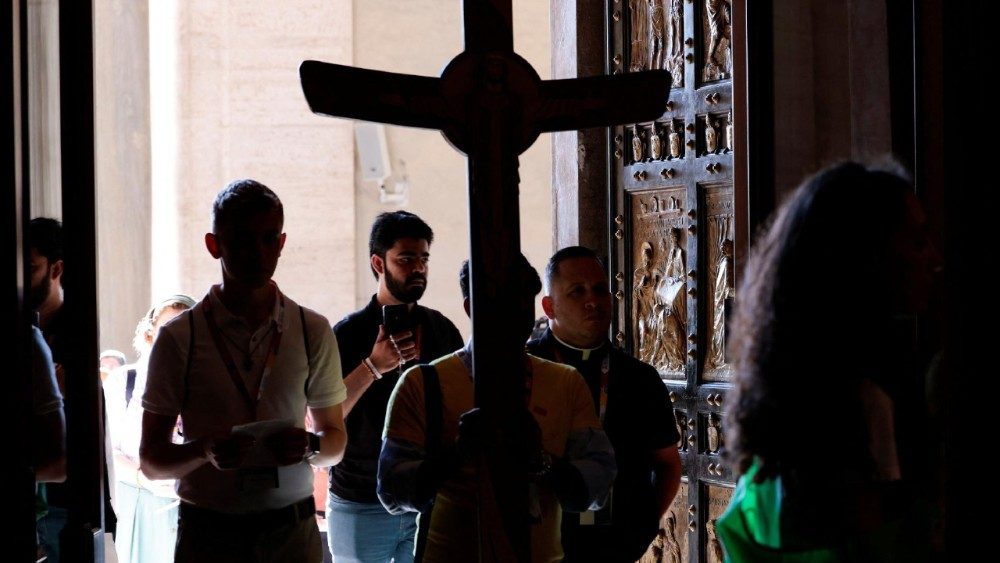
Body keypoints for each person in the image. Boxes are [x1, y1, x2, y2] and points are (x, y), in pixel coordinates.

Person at [717, 160, 944, 561]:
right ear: (866, 255)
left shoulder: (787, 386)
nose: (934, 258)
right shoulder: (861, 399)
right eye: (918, 240)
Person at [139, 179, 348, 562]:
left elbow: (335, 442)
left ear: (282, 244)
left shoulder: (310, 329)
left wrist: (310, 445)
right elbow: (151, 462)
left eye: (269, 239)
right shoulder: (180, 336)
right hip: (209, 532)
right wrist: (204, 450)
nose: (258, 252)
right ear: (214, 244)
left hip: (291, 532)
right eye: (243, 239)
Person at [378, 256, 616, 563]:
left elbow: (597, 488)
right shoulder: (424, 383)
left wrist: (541, 460)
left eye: (521, 304)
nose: (514, 317)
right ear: (469, 308)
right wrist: (457, 456)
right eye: (498, 305)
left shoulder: (565, 382)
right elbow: (393, 493)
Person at [527, 246, 682, 562]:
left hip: (615, 545)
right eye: (576, 291)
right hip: (540, 543)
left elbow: (667, 463)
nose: (592, 301)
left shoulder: (640, 378)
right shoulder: (525, 368)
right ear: (549, 306)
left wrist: (644, 526)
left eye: (600, 289)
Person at [327, 211, 464, 563]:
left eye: (423, 258)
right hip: (361, 499)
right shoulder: (347, 333)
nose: (418, 267)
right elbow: (324, 419)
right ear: (378, 262)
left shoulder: (442, 329)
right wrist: (373, 366)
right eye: (405, 258)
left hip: (428, 496)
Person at [29, 216, 117, 562]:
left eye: (32, 267)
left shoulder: (77, 336)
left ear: (56, 268)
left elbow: (86, 433)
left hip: (71, 505)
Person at [105, 294, 196, 563]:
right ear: (149, 335)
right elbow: (109, 449)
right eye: (168, 330)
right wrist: (146, 477)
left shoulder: (204, 385)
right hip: (136, 500)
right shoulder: (125, 380)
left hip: (187, 501)